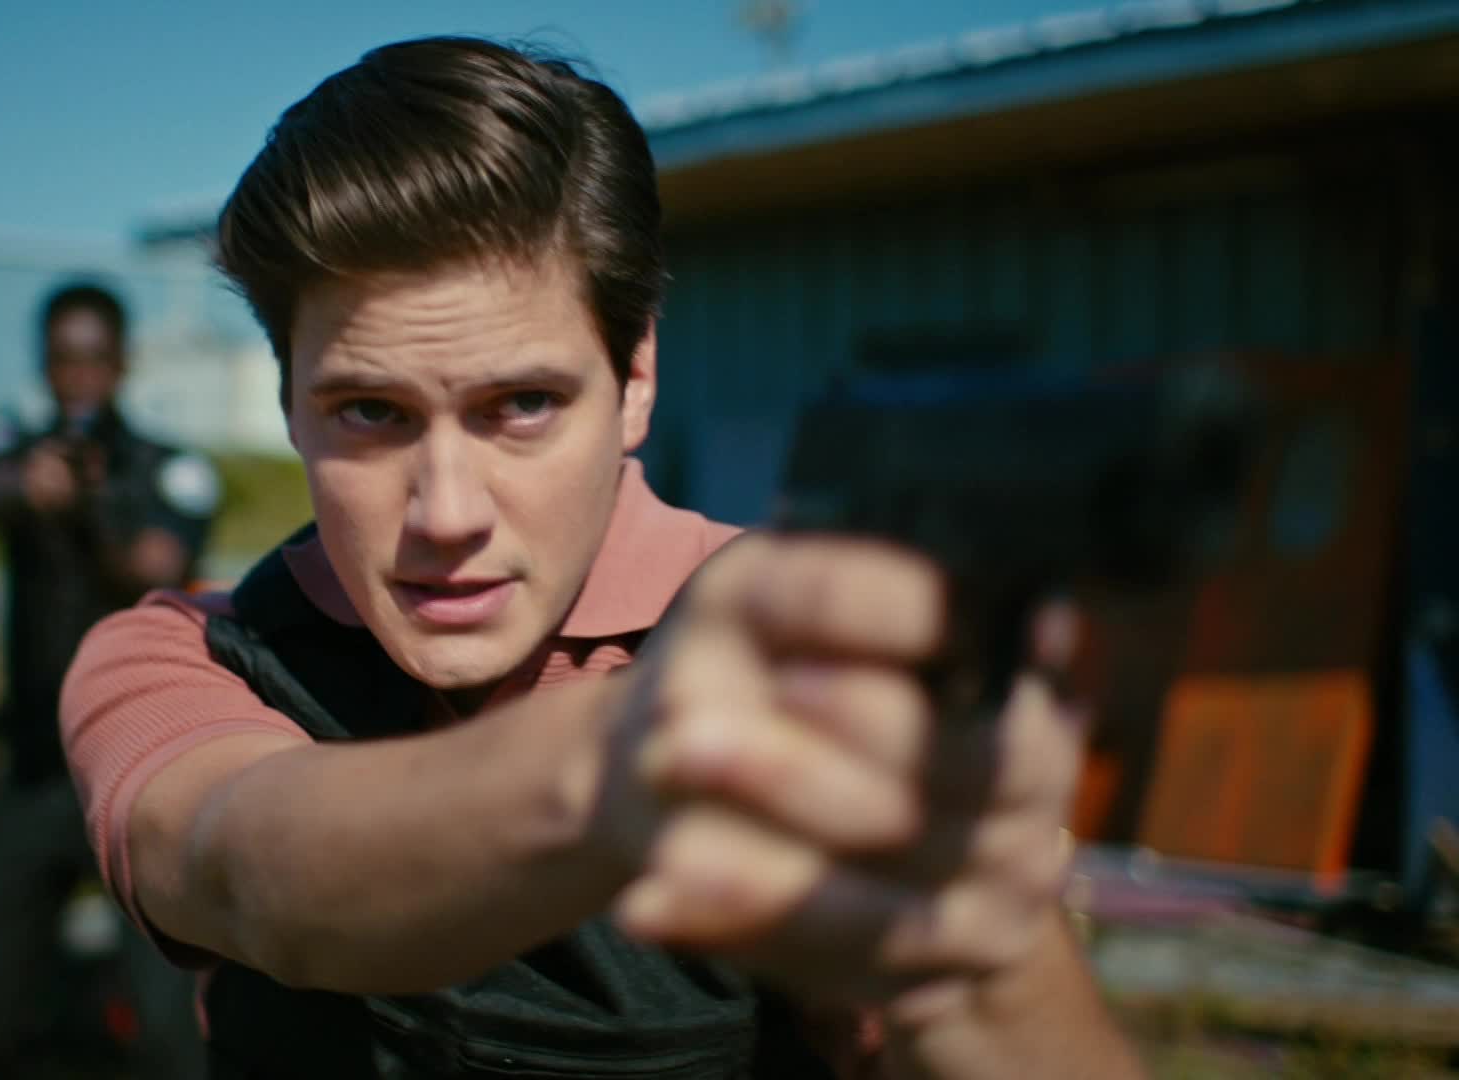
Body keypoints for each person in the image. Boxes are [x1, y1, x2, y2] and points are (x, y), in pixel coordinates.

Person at [61, 38, 1148, 1080]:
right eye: (371, 412)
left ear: (635, 383)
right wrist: (638, 758)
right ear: (290, 405)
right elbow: (246, 870)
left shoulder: (806, 664)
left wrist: (979, 926)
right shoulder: (180, 653)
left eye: (523, 404)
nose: (446, 513)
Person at [0, 280, 218, 1078]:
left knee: (168, 1024)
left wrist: (95, 510)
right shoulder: (17, 449)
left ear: (123, 362)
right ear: (43, 365)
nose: (80, 377)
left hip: (137, 769)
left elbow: (157, 563)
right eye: (64, 360)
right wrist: (32, 489)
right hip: (37, 766)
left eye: (95, 359)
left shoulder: (166, 467)